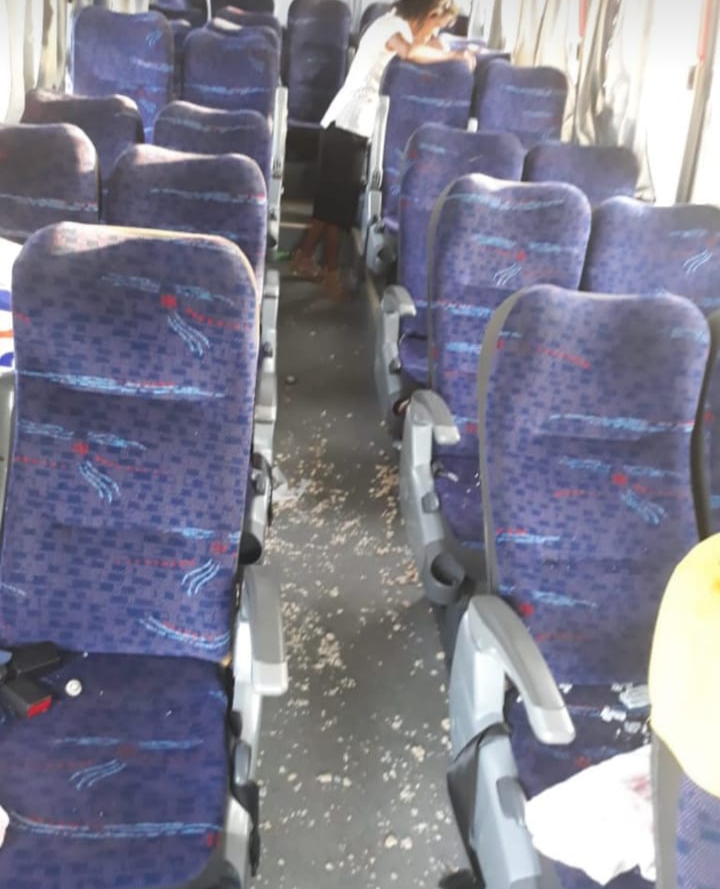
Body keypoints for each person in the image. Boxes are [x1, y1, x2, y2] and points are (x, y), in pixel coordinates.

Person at [290, 0, 475, 299]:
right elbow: (410, 52)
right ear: (427, 14)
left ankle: (306, 259)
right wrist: (455, 56)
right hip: (347, 123)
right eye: (435, 26)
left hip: (350, 124)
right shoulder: (391, 27)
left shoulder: (392, 23)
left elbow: (420, 46)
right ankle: (329, 273)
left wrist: (441, 46)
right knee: (336, 208)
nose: (433, 34)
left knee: (332, 205)